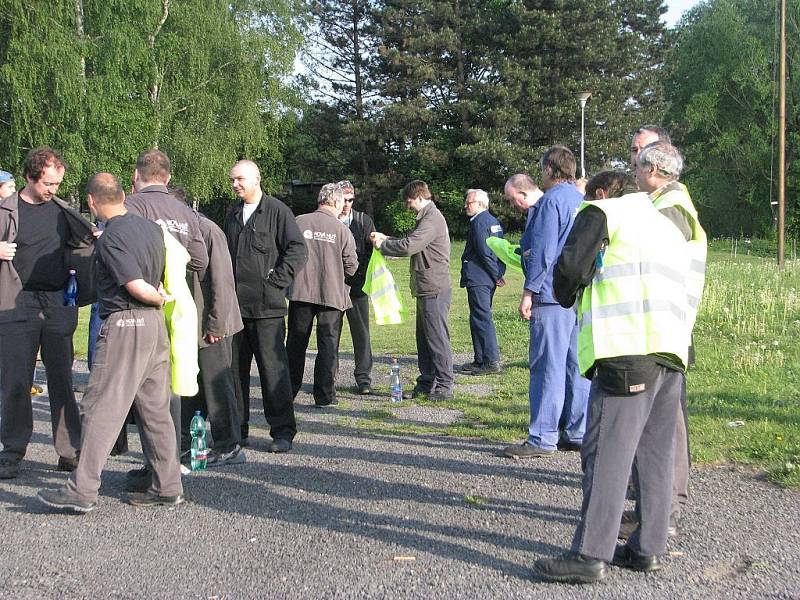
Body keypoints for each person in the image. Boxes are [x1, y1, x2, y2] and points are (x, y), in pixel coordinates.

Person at [534, 160, 705, 584]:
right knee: (655, 453)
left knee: (608, 450)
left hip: (627, 347)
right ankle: (647, 547)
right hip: (671, 348)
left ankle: (591, 554)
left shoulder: (605, 212)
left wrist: (567, 292)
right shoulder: (666, 222)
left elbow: (569, 269)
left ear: (601, 194)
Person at [37, 173, 183, 512]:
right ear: (122, 195)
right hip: (153, 330)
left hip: (126, 322)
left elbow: (134, 284)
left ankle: (82, 489)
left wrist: (157, 298)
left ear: (91, 201)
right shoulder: (148, 227)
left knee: (101, 407)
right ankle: (167, 484)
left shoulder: (111, 237)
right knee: (155, 409)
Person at [622, 140, 707, 537]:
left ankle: (663, 511)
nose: (634, 169)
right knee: (657, 425)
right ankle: (653, 509)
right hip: (660, 328)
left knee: (664, 425)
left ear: (655, 168)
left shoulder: (671, 207)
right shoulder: (664, 203)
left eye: (639, 160)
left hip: (665, 330)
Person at [0, 147, 96, 479]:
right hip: (17, 302)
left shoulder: (64, 211)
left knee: (62, 379)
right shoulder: (6, 210)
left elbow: (84, 246)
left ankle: (70, 452)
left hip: (58, 302)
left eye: (57, 183)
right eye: (48, 184)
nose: (53, 190)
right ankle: (12, 451)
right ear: (30, 176)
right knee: (15, 380)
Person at [123, 149, 207, 491]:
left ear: (136, 174)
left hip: (143, 304)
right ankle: (166, 464)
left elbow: (122, 248)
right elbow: (200, 259)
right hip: (179, 306)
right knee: (171, 385)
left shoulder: (133, 205)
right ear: (168, 177)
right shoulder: (184, 211)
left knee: (144, 387)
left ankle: (155, 467)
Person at [502, 149, 590, 459]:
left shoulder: (550, 202)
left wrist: (529, 291)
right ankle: (576, 430)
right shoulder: (581, 200)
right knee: (576, 365)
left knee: (546, 365)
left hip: (551, 295)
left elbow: (542, 253)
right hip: (579, 295)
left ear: (550, 169)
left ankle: (542, 436)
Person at [225, 160, 307, 452]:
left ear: (257, 179)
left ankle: (282, 432)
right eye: (232, 179)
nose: (235, 184)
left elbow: (298, 249)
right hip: (236, 309)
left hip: (267, 309)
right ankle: (237, 431)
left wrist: (277, 281)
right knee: (234, 373)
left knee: (274, 373)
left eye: (240, 179)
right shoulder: (232, 214)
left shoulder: (277, 211)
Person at [171, 187, 245, 468]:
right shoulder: (183, 228)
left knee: (218, 385)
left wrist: (215, 324)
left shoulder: (208, 229)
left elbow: (222, 281)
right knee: (189, 383)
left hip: (214, 322)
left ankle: (229, 445)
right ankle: (189, 442)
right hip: (190, 322)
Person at [370, 180, 454, 401]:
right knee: (425, 339)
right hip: (427, 287)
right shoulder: (427, 218)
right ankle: (427, 383)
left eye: (409, 202)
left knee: (436, 338)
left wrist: (383, 245)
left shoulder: (432, 219)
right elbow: (411, 242)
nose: (408, 207)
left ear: (419, 197)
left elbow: (409, 246)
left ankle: (444, 385)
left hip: (433, 287)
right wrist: (388, 241)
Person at [287, 183, 358, 407]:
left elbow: (286, 253)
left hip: (301, 292)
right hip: (331, 294)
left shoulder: (299, 222)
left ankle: (287, 392)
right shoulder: (342, 230)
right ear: (336, 202)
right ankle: (324, 395)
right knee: (328, 346)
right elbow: (352, 266)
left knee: (296, 345)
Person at [459, 189, 506, 375]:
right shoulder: (493, 221)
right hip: (487, 277)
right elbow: (500, 250)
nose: (465, 206)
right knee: (477, 317)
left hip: (479, 276)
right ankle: (480, 359)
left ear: (480, 204)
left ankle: (491, 361)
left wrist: (496, 274)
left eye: (468, 203)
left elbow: (484, 252)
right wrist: (499, 272)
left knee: (482, 317)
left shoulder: (479, 222)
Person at [336, 180, 375, 395]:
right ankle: (328, 376)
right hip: (333, 288)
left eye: (351, 200)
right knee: (331, 334)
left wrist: (359, 277)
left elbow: (371, 253)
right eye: (343, 199)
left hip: (358, 288)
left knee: (361, 334)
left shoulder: (363, 220)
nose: (347, 204)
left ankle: (363, 379)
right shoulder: (329, 220)